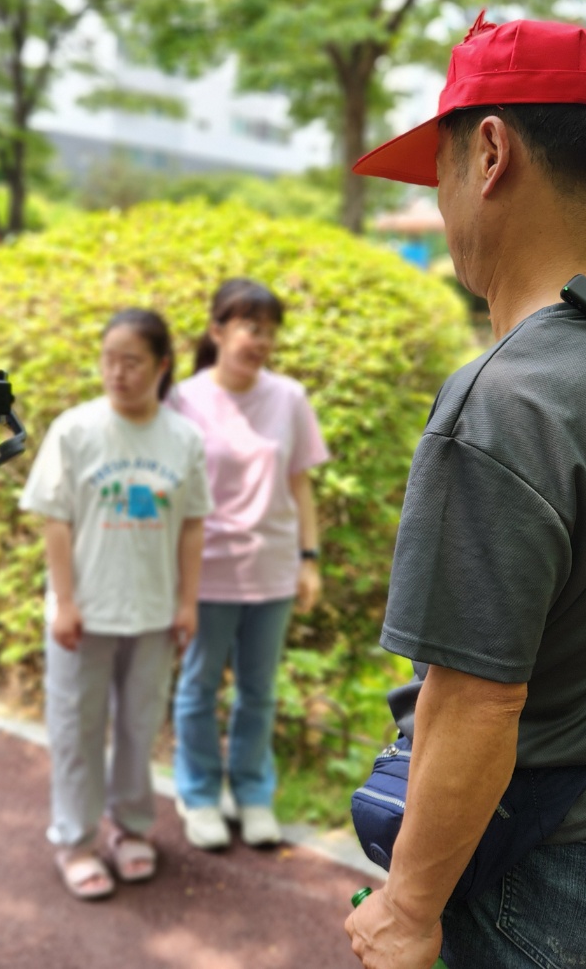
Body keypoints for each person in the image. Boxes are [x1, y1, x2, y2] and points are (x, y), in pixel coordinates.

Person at [343, 13, 586, 969]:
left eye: (438, 175)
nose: (441, 209)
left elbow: (475, 702)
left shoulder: (504, 402)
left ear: (490, 153)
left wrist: (409, 909)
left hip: (552, 867)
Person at [19, 309, 213, 900]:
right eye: (109, 360)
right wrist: (65, 602)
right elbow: (55, 520)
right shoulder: (75, 429)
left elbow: (192, 526)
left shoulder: (183, 437)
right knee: (76, 729)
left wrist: (187, 603)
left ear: (162, 366)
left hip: (153, 612)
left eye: (131, 362)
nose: (117, 373)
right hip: (84, 612)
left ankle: (131, 828)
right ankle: (75, 841)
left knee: (138, 726)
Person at [167, 279, 330, 850]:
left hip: (272, 570)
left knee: (258, 691)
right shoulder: (182, 400)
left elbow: (300, 484)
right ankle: (200, 795)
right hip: (205, 572)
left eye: (269, 332)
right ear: (217, 331)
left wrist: (309, 560)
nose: (261, 341)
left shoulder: (289, 397)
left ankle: (253, 793)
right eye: (249, 328)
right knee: (198, 687)